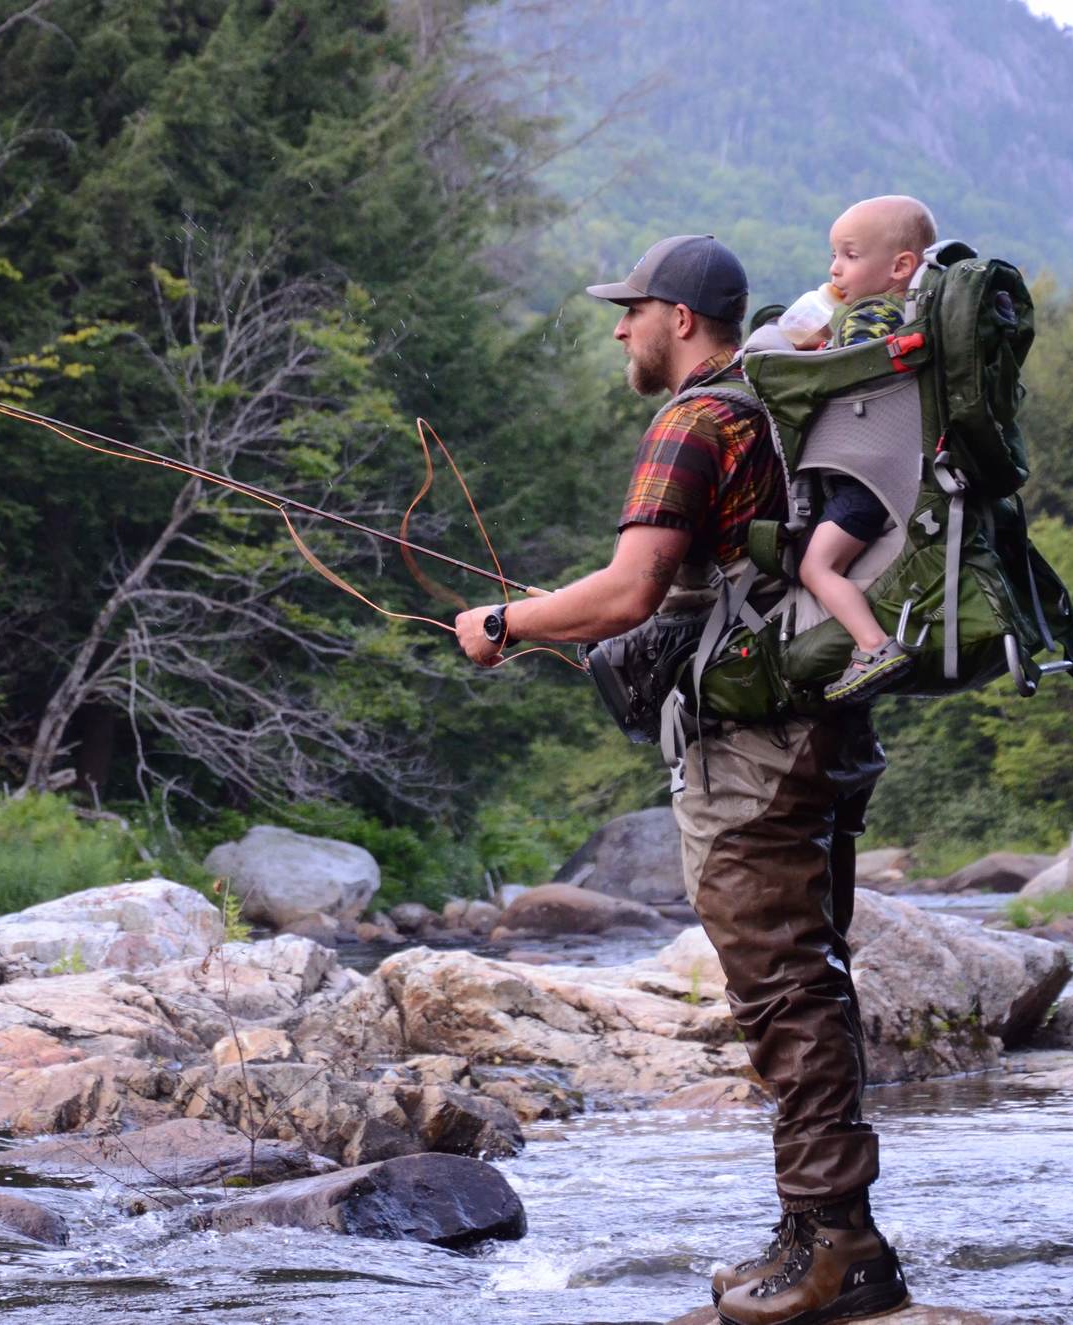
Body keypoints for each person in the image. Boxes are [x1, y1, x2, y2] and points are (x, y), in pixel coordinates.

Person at [455, 234, 910, 1325]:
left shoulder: (696, 420)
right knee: (809, 979)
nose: (620, 328)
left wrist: (506, 624)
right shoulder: (775, 404)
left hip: (755, 752)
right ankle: (813, 1227)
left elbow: (629, 590)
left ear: (681, 318)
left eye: (632, 310)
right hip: (822, 728)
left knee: (783, 989)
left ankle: (839, 1247)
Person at [792, 196, 940, 703]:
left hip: (864, 482)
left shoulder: (872, 313)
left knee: (816, 567)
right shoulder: (915, 317)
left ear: (900, 267)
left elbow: (852, 367)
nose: (835, 269)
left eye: (850, 256)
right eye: (834, 255)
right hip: (896, 473)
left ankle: (873, 645)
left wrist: (816, 350)